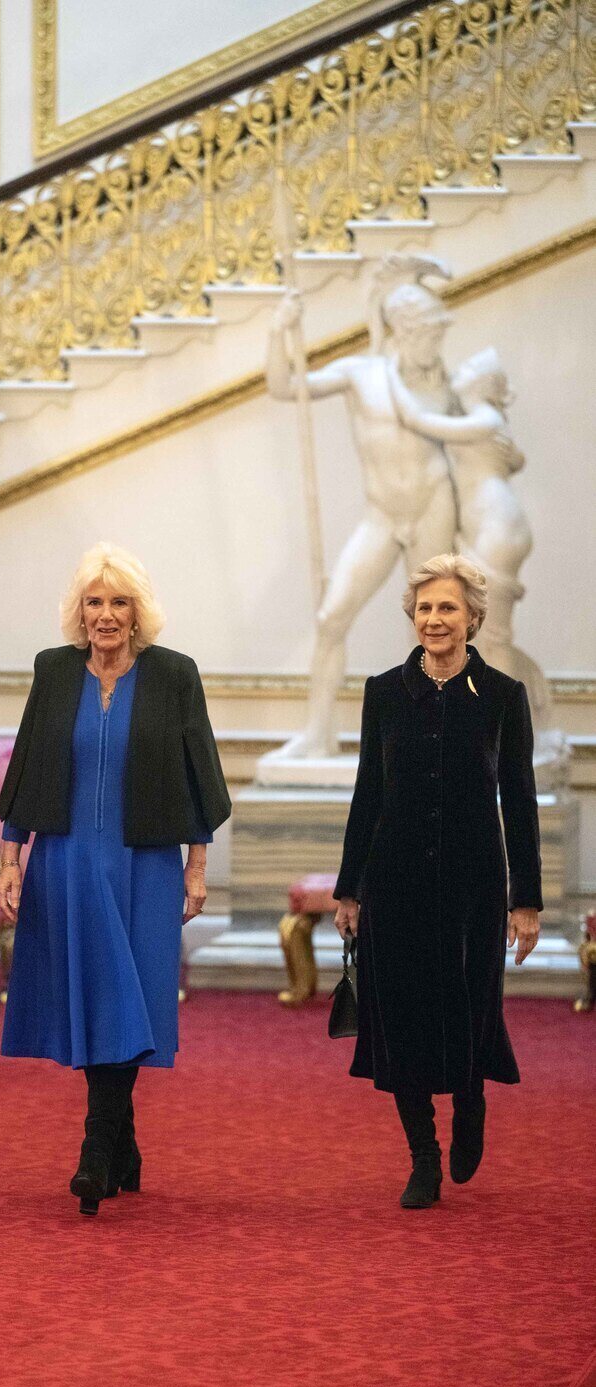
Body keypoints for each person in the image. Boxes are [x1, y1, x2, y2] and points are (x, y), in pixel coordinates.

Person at [0, 544, 231, 1216]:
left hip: (143, 864)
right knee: (96, 996)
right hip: (66, 861)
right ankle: (118, 1142)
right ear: (80, 612)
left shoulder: (173, 675)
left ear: (138, 612)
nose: (105, 615)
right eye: (95, 602)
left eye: (118, 602)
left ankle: (96, 1150)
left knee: (126, 998)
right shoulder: (54, 671)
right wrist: (11, 858)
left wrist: (197, 864)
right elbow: (30, 763)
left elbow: (199, 769)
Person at [333, 553, 542, 1209]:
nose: (434, 619)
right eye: (424, 607)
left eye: (447, 607)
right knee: (400, 1014)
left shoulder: (503, 697)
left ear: (473, 617)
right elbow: (368, 792)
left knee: (469, 1005)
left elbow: (521, 799)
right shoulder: (384, 692)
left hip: (475, 885)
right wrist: (349, 888)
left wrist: (526, 902)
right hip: (393, 881)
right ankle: (422, 1154)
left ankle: (472, 1097)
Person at [264, 260, 458, 760]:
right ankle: (318, 732)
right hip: (382, 515)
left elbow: (484, 442)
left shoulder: (445, 384)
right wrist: (278, 332)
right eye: (429, 331)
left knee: (434, 626)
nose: (437, 342)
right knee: (332, 617)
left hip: (434, 505)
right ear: (404, 330)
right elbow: (285, 387)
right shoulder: (361, 374)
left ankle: (438, 735)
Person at [387, 349, 565, 766]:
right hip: (494, 524)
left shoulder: (483, 418)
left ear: (482, 385)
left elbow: (417, 420)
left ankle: (509, 735)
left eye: (466, 370)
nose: (455, 373)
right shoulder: (487, 424)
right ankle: (533, 714)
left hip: (496, 529)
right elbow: (515, 458)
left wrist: (389, 375)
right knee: (490, 634)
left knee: (492, 636)